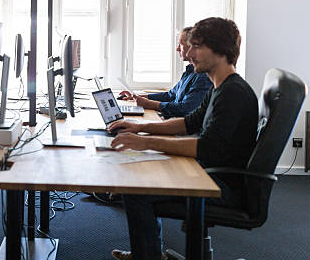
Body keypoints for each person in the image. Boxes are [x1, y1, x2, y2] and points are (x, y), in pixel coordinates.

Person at [108, 18, 258, 260]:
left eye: (196, 46)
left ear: (219, 50)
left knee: (136, 190)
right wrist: (139, 127)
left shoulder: (233, 93)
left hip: (221, 185)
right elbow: (189, 122)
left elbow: (206, 147)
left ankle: (147, 256)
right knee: (141, 175)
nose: (188, 52)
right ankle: (149, 253)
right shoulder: (219, 86)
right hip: (208, 172)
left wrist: (146, 142)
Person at [120, 26, 212, 118]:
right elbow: (170, 95)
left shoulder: (203, 77)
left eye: (180, 44)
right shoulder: (190, 71)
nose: (177, 49)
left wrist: (149, 104)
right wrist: (140, 97)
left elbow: (185, 109)